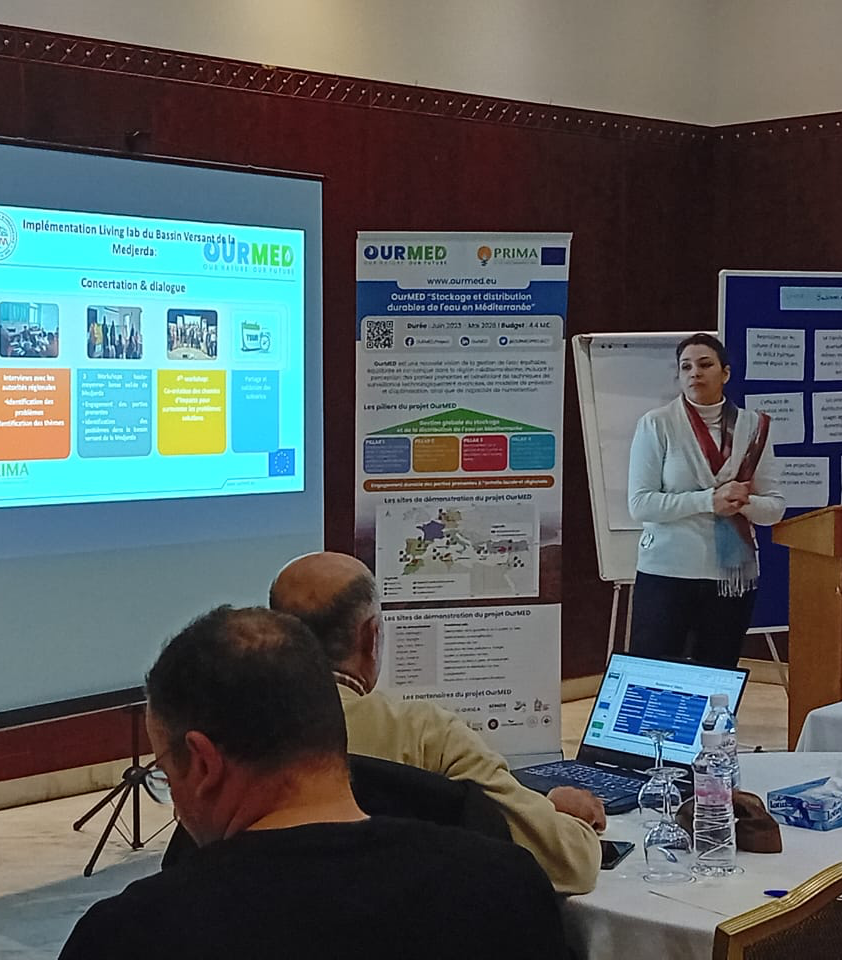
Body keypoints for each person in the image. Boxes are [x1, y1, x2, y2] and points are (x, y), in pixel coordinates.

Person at [60, 607, 568, 959]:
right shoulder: (503, 885)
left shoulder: (131, 936)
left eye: (167, 773)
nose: (175, 806)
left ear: (204, 763)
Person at [269, 552, 603, 895]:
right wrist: (561, 813)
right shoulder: (426, 735)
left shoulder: (242, 730)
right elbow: (571, 863)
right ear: (372, 636)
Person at [627, 333, 785, 667]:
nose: (694, 373)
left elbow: (774, 508)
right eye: (686, 367)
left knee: (717, 672)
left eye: (704, 364)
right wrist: (709, 500)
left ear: (725, 373)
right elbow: (641, 504)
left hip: (730, 579)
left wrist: (741, 503)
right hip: (667, 573)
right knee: (655, 673)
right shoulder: (657, 423)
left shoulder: (754, 427)